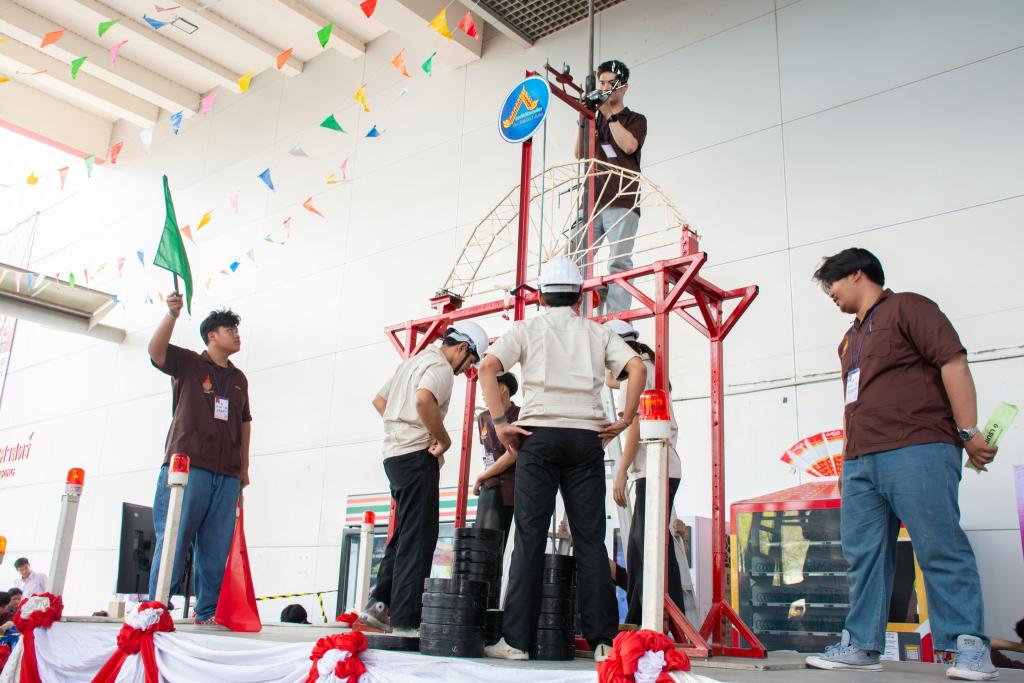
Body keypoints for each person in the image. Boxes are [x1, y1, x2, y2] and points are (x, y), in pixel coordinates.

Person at [804, 248, 998, 680]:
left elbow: (952, 362)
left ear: (858, 274)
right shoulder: (849, 339)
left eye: (833, 282)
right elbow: (854, 401)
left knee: (938, 545)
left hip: (918, 446)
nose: (830, 293)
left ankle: (967, 646)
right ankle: (861, 644)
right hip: (861, 459)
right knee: (863, 555)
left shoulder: (909, 307)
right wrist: (848, 462)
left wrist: (968, 432)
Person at [479, 255, 646, 662]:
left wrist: (501, 424)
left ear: (540, 295)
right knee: (590, 539)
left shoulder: (525, 329)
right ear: (579, 297)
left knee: (529, 537)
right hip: (586, 438)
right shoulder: (597, 332)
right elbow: (637, 367)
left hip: (538, 437)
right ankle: (604, 641)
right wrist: (624, 419)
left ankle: (516, 642)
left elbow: (487, 367)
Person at [360, 321, 490, 638]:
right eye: (471, 361)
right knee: (419, 540)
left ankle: (379, 604)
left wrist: (402, 428)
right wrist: (441, 438)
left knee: (405, 533)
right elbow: (423, 400)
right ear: (462, 348)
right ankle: (405, 620)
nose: (467, 369)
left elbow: (380, 401)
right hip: (416, 457)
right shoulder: (441, 367)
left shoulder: (412, 362)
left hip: (394, 455)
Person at [147, 295, 252, 625]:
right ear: (211, 336)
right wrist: (171, 314)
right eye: (229, 329)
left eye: (236, 329)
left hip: (227, 474)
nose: (236, 334)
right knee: (174, 539)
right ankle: (155, 610)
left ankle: (207, 612)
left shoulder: (239, 379)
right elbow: (156, 351)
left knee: (216, 548)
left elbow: (245, 422)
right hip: (188, 468)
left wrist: (244, 468)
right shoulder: (189, 363)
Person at [604, 321, 685, 626]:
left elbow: (637, 423)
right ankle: (650, 617)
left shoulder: (639, 371)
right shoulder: (643, 367)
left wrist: (621, 471)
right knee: (642, 544)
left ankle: (662, 619)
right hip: (655, 468)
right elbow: (611, 380)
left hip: (655, 467)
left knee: (649, 544)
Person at [572, 59, 648, 314]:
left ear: (624, 87)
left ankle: (617, 317)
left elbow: (629, 146)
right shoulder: (594, 119)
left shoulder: (635, 119)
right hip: (591, 201)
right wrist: (583, 116)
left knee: (619, 261)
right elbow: (579, 152)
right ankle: (576, 313)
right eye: (602, 83)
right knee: (576, 259)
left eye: (610, 83)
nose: (605, 87)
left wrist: (608, 114)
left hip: (621, 199)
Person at [472, 372, 521, 550]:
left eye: (487, 388)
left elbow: (513, 454)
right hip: (490, 486)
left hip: (515, 487)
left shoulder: (521, 416)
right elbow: (487, 452)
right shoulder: (483, 418)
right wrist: (485, 477)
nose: (483, 394)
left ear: (502, 389)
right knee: (484, 545)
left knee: (509, 546)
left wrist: (482, 476)